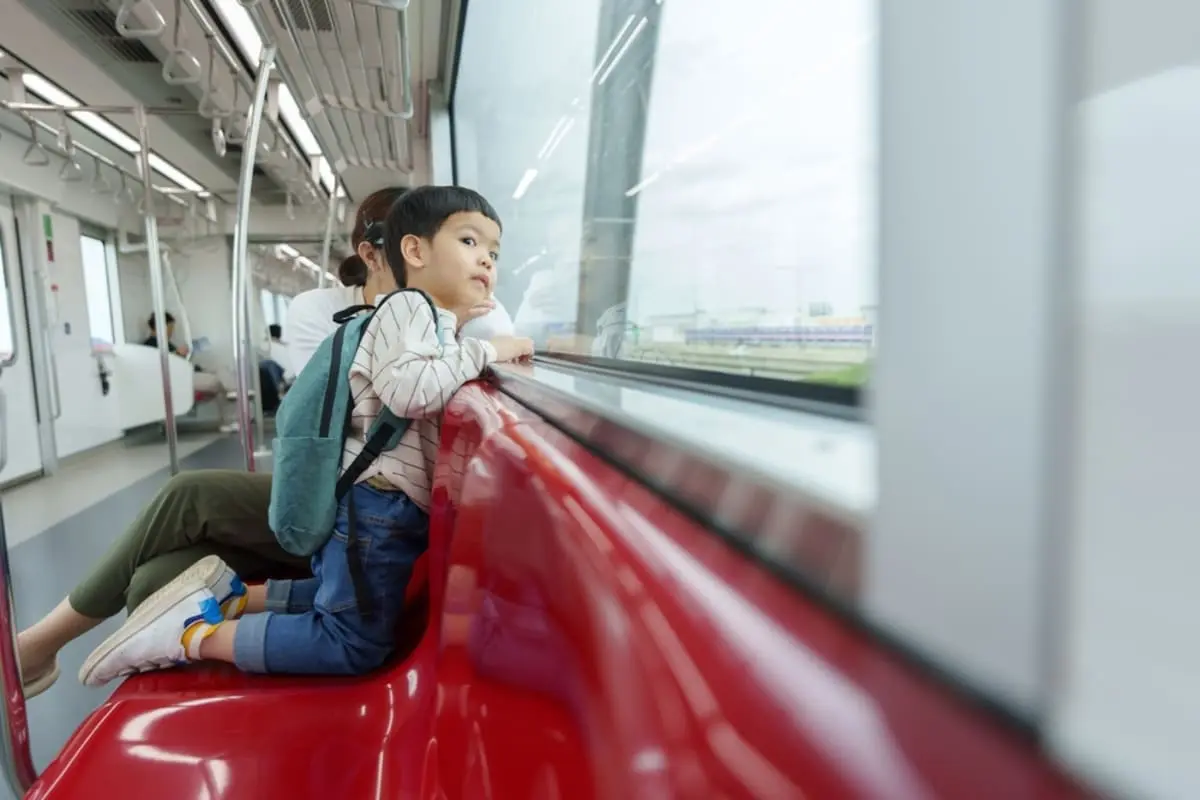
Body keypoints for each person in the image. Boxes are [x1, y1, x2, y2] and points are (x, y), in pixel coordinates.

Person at [14, 185, 512, 697]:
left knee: (153, 580)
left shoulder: (456, 315)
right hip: (348, 487)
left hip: (372, 498)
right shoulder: (363, 312)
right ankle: (147, 635)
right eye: (466, 243)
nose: (482, 263)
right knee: (189, 508)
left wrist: (457, 325)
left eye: (489, 252)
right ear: (391, 252)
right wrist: (459, 337)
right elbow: (363, 407)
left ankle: (203, 608)